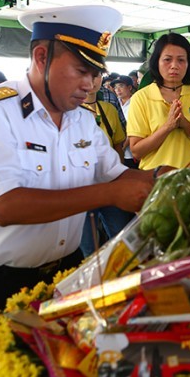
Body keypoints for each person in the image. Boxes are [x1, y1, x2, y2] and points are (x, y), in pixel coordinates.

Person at [0, 6, 155, 335]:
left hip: (63, 277)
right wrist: (110, 194)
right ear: (42, 56)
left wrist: (161, 180)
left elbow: (115, 175)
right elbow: (5, 206)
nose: (90, 84)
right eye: (81, 70)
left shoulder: (83, 120)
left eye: (95, 73)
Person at [127, 33, 190, 170]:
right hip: (154, 180)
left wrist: (186, 125)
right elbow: (136, 151)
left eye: (181, 60)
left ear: (188, 64)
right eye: (167, 59)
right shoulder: (141, 97)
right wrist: (168, 126)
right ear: (157, 62)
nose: (174, 66)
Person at [80, 74, 131, 256]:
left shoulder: (108, 108)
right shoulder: (70, 112)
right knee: (88, 247)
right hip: (82, 187)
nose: (92, 81)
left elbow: (118, 142)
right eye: (86, 74)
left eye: (97, 76)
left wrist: (120, 174)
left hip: (110, 183)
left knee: (121, 237)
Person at [112, 76, 138, 168]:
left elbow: (135, 127)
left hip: (133, 153)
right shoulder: (114, 103)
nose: (117, 89)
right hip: (119, 152)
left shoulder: (136, 102)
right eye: (115, 87)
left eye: (121, 86)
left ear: (130, 87)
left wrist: (124, 146)